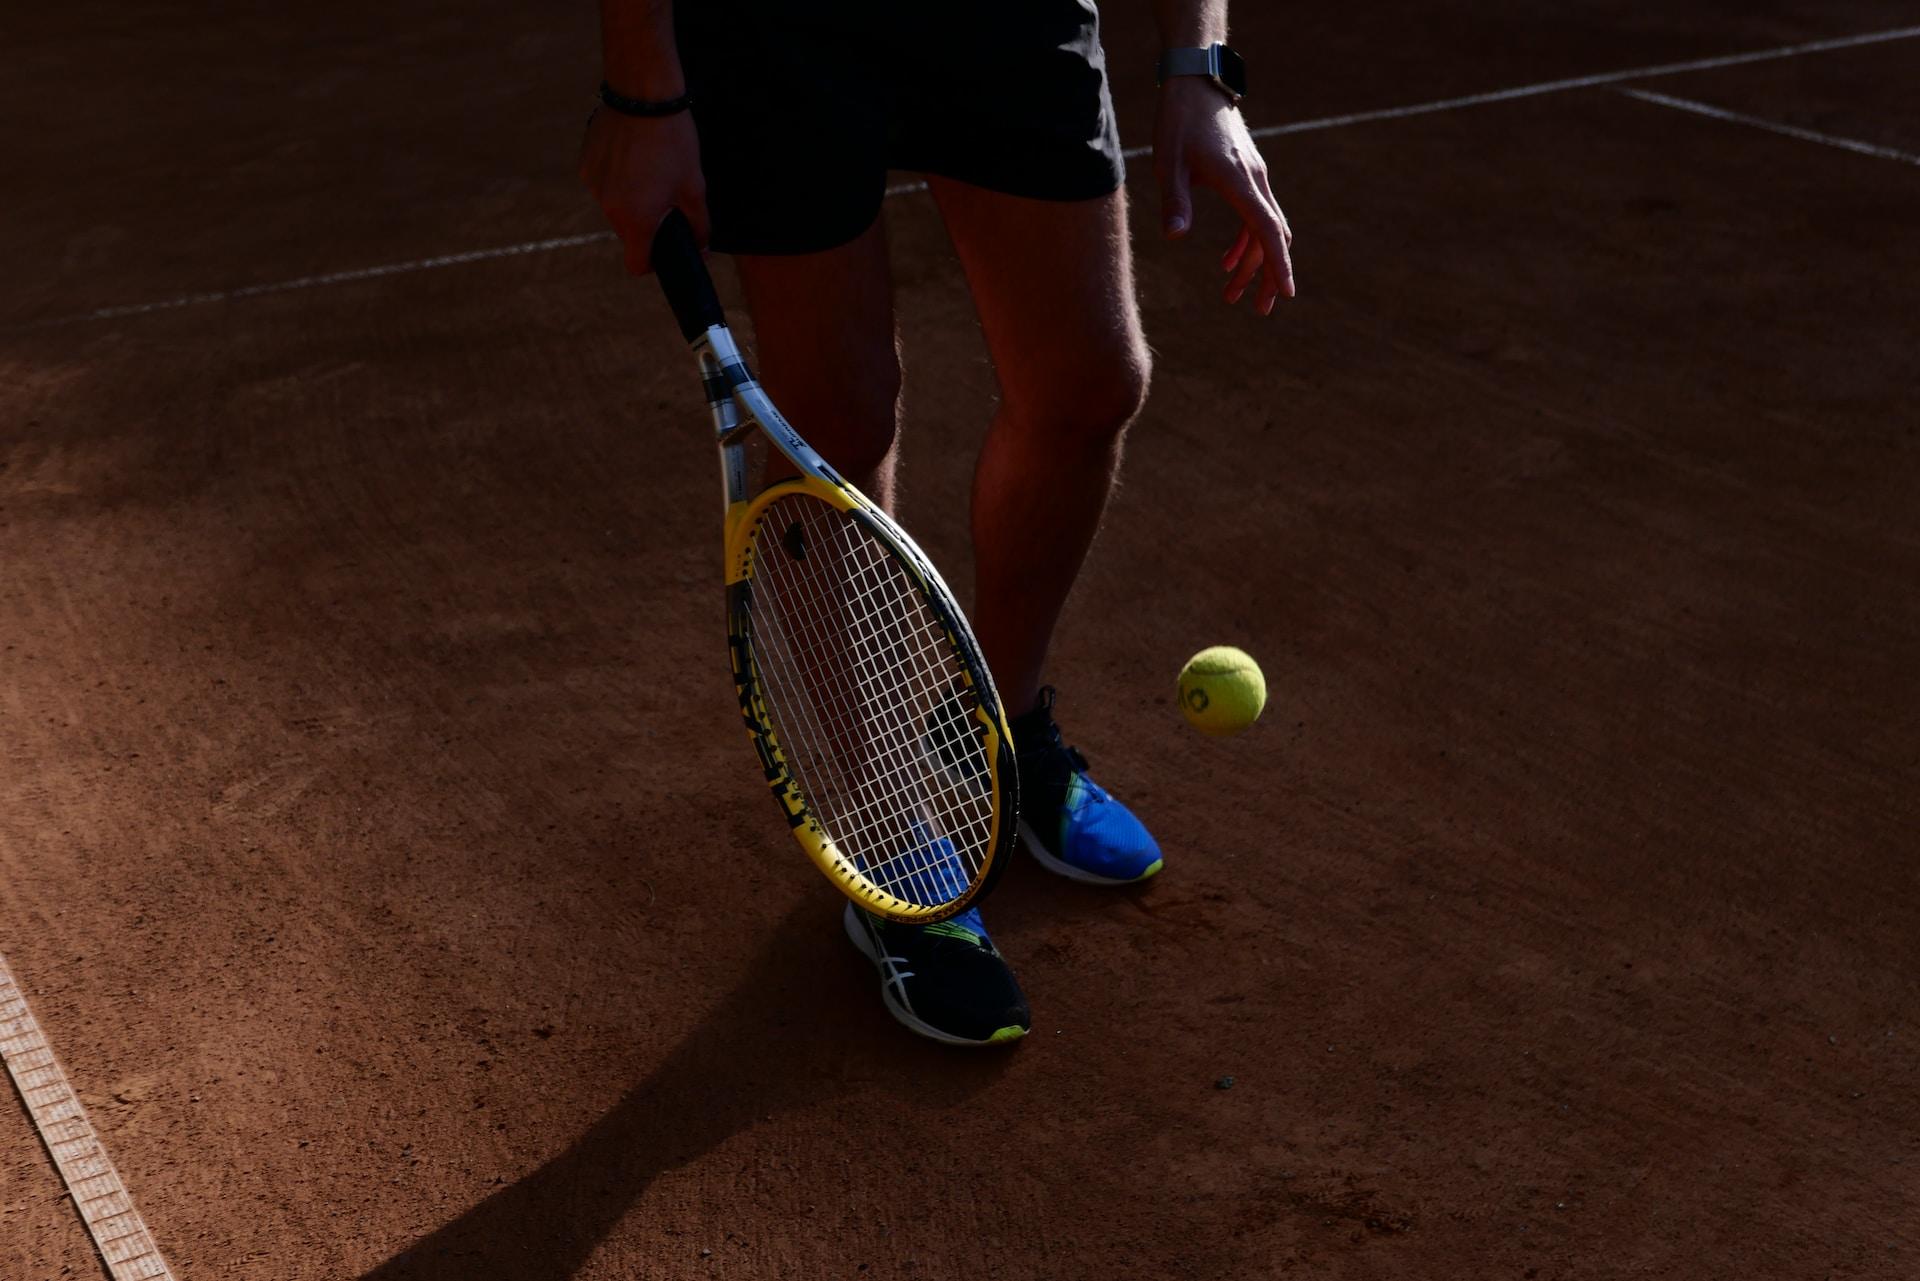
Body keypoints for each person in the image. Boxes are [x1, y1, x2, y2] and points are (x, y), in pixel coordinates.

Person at [582, 0, 1293, 1047]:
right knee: (837, 420)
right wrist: (643, 86)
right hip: (781, 29)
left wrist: (1199, 69)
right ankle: (883, 832)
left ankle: (987, 738)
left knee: (1091, 381)